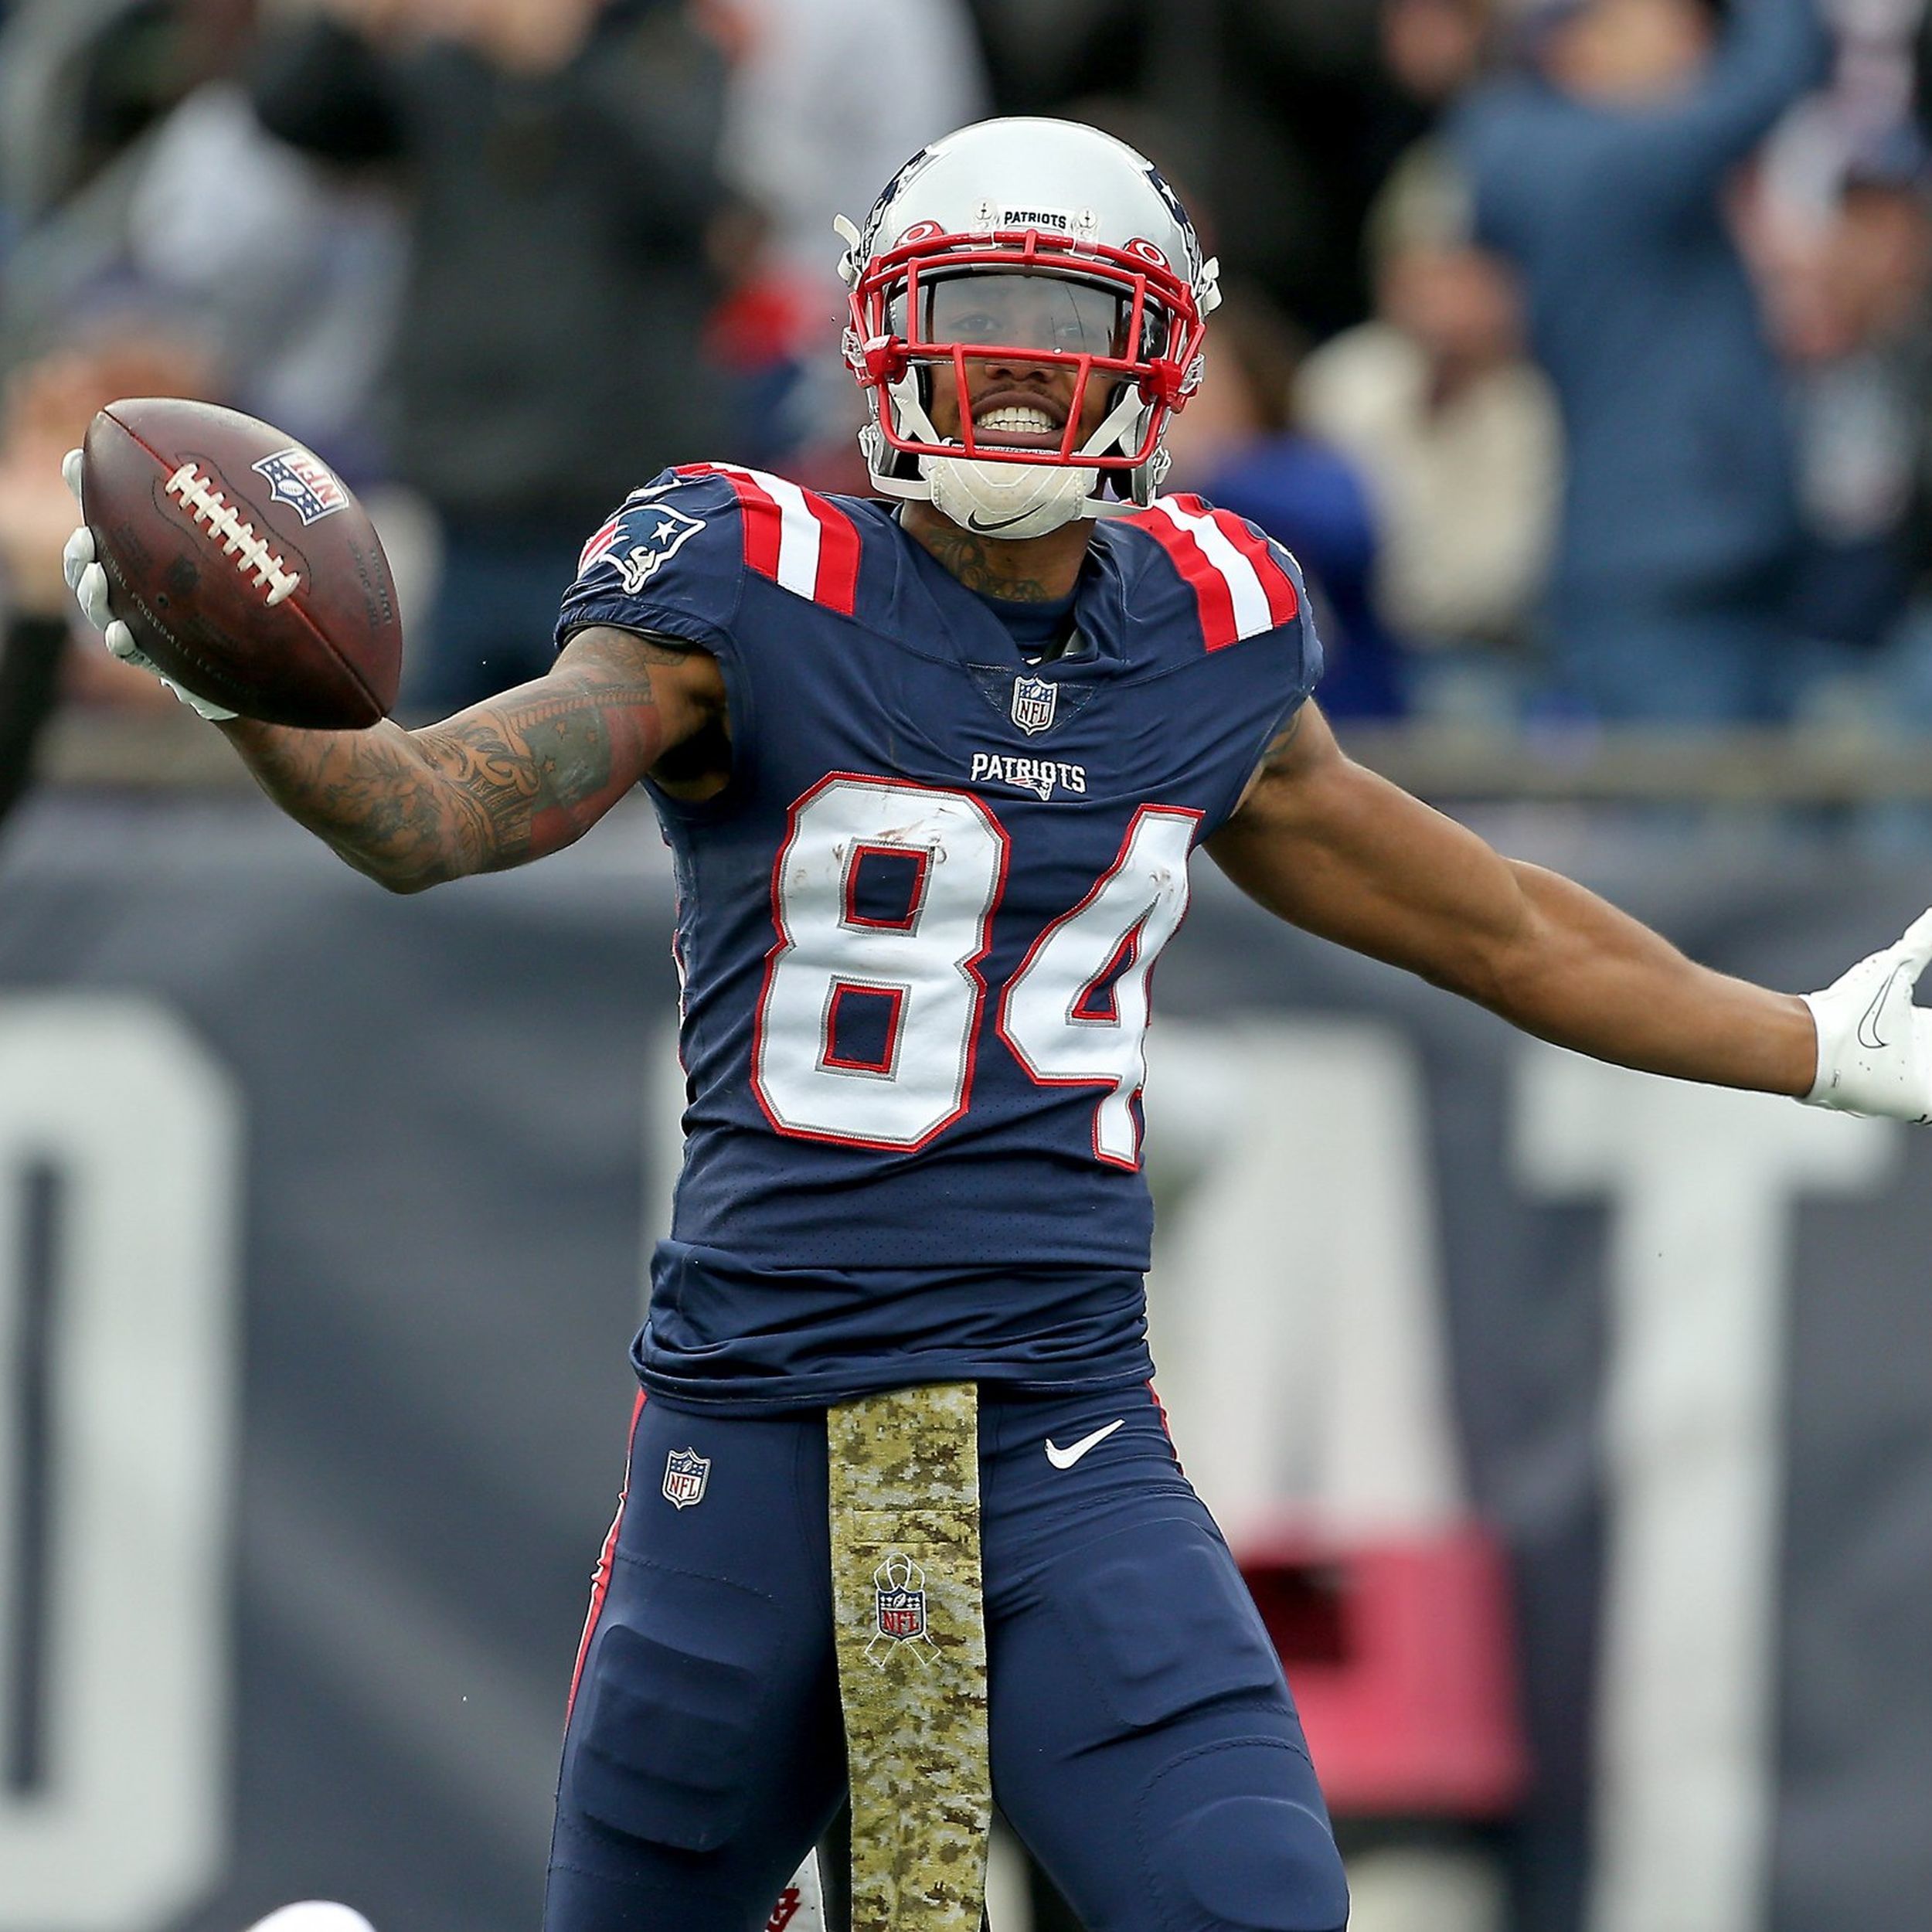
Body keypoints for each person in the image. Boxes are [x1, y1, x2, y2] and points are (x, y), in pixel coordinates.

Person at [63, 117, 1932, 1932]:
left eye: (1064, 329)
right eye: (972, 315)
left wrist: (1809, 1038)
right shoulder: (742, 578)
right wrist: (236, 682)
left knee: (1253, 1900)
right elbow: (434, 812)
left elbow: (1497, 921)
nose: (1016, 377)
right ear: (876, 329)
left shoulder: (1211, 625)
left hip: (1058, 1431)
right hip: (754, 1431)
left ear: (1160, 356)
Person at [1453, 0, 1831, 722]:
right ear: (1573, 44)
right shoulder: (1564, 152)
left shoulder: (1567, 146)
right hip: (1659, 567)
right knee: (1688, 828)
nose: (1693, 41)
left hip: (1717, 554)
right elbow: (1775, 71)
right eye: (1655, 17)